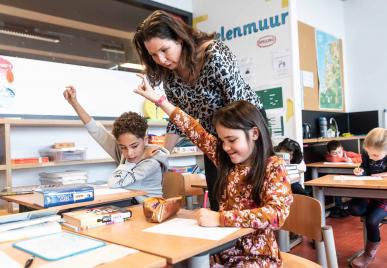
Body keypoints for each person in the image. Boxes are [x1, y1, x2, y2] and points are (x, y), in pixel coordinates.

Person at [134, 76, 292, 267]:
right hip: (220, 251)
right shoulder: (226, 160)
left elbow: (276, 215)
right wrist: (160, 101)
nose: (225, 147)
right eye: (222, 140)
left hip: (256, 258)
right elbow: (193, 128)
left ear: (254, 133)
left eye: (232, 140)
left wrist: (219, 217)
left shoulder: (273, 166)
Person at [133, 10, 266, 211]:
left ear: (179, 38)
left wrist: (232, 144)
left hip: (246, 126)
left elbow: (239, 107)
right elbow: (178, 118)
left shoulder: (213, 54)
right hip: (212, 135)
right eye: (153, 55)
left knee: (251, 192)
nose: (161, 59)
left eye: (164, 50)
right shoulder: (170, 76)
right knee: (217, 194)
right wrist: (163, 155)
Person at [63, 86, 169, 204]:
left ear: (145, 140)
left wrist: (131, 161)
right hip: (130, 205)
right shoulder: (126, 153)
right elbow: (97, 132)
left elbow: (115, 183)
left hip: (150, 209)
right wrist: (74, 103)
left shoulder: (152, 161)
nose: (129, 153)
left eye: (134, 146)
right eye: (123, 147)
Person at [349, 127, 387, 268]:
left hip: (384, 197)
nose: (371, 157)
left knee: (371, 221)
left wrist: (380, 175)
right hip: (369, 193)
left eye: (375, 155)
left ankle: (369, 254)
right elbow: (365, 167)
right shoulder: (368, 152)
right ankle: (373, 213)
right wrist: (360, 171)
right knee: (353, 208)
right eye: (369, 153)